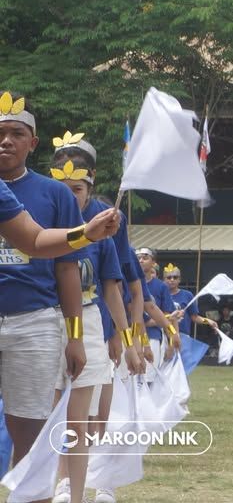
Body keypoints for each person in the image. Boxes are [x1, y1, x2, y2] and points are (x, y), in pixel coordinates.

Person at [0, 92, 94, 468]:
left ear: (33, 143)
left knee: (30, 434)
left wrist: (76, 337)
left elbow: (66, 267)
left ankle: (28, 490)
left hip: (34, 323)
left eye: (16, 134)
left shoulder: (55, 193)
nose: (6, 141)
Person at [47, 143, 134, 503]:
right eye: (62, 189)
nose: (70, 197)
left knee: (79, 419)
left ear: (90, 188)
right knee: (49, 417)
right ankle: (56, 484)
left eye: (77, 189)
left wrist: (128, 340)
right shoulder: (38, 230)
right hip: (46, 322)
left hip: (90, 323)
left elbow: (113, 289)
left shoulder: (102, 236)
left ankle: (76, 493)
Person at [135, 247, 179, 378]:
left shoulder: (161, 286)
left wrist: (171, 342)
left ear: (153, 262)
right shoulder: (129, 283)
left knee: (148, 377)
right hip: (130, 336)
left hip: (152, 336)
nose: (141, 260)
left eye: (145, 257)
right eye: (138, 258)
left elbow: (169, 316)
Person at [162, 263, 218, 337]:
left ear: (179, 279)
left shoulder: (187, 295)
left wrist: (208, 321)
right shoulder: (160, 295)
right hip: (164, 335)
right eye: (169, 277)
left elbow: (195, 317)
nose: (172, 280)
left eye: (175, 277)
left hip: (183, 336)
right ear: (164, 280)